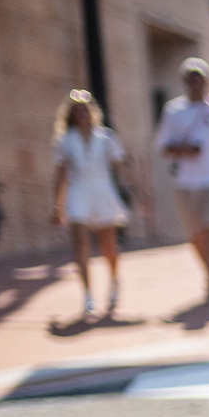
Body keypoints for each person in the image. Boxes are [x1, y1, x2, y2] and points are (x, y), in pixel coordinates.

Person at [154, 56, 209, 307]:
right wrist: (184, 150)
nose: (196, 83)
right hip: (187, 182)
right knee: (196, 235)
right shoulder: (174, 111)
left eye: (199, 79)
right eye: (191, 79)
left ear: (207, 81)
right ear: (185, 82)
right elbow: (162, 146)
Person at [50, 88, 134, 321]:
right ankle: (87, 295)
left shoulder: (106, 137)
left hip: (102, 191)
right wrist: (57, 205)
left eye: (84, 108)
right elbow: (60, 175)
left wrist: (128, 189)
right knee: (80, 243)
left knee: (108, 246)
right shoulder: (65, 141)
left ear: (91, 111)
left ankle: (114, 280)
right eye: (76, 109)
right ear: (71, 113)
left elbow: (119, 167)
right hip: (78, 193)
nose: (81, 113)